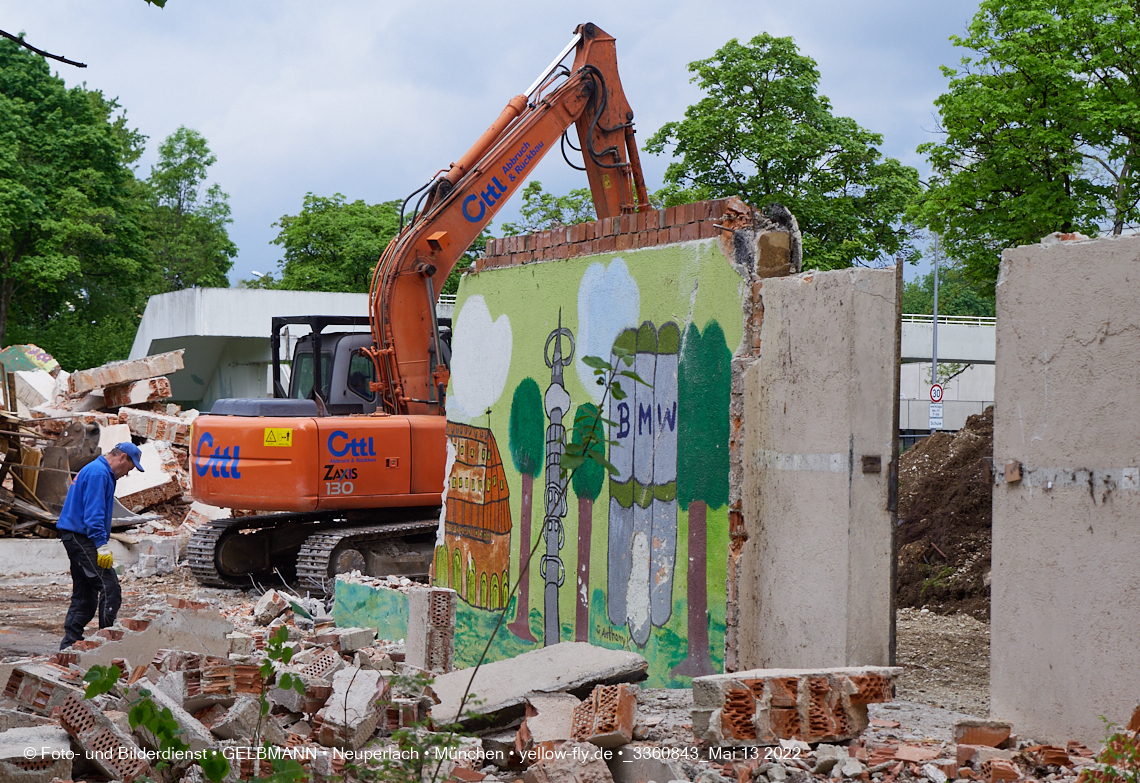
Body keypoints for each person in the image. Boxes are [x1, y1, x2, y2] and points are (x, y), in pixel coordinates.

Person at [56, 442, 144, 650]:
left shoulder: (96, 469)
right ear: (122, 458)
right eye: (129, 469)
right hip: (81, 536)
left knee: (85, 595)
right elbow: (94, 514)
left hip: (74, 536)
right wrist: (101, 545)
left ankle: (68, 647)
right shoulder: (99, 474)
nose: (126, 474)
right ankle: (108, 644)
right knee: (109, 587)